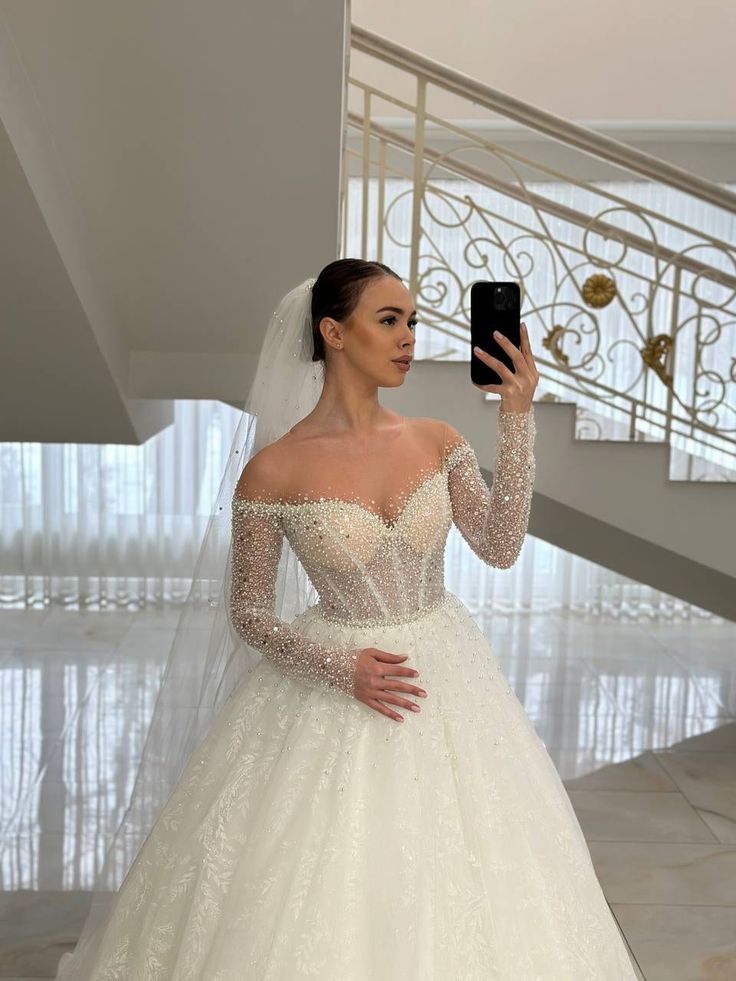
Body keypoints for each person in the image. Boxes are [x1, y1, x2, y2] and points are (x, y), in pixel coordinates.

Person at [56, 258, 638, 978]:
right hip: (339, 680)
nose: (408, 338)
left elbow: (499, 546)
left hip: (444, 672)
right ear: (333, 331)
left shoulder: (436, 438)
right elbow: (248, 610)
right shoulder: (273, 470)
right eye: (388, 320)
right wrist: (342, 669)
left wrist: (516, 417)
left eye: (413, 321)